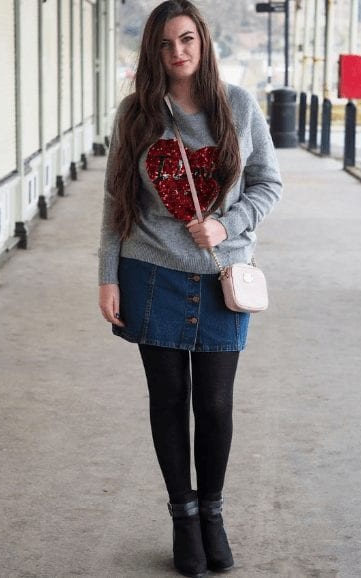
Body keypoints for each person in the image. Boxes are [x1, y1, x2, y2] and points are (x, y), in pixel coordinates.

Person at [98, 1, 282, 576]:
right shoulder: (136, 115)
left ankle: (213, 515)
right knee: (169, 401)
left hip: (223, 277)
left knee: (216, 404)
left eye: (186, 40)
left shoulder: (240, 105)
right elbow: (114, 204)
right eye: (164, 44)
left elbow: (268, 184)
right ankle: (183, 516)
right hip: (150, 273)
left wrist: (227, 224)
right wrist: (107, 277)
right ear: (153, 51)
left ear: (202, 41)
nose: (177, 53)